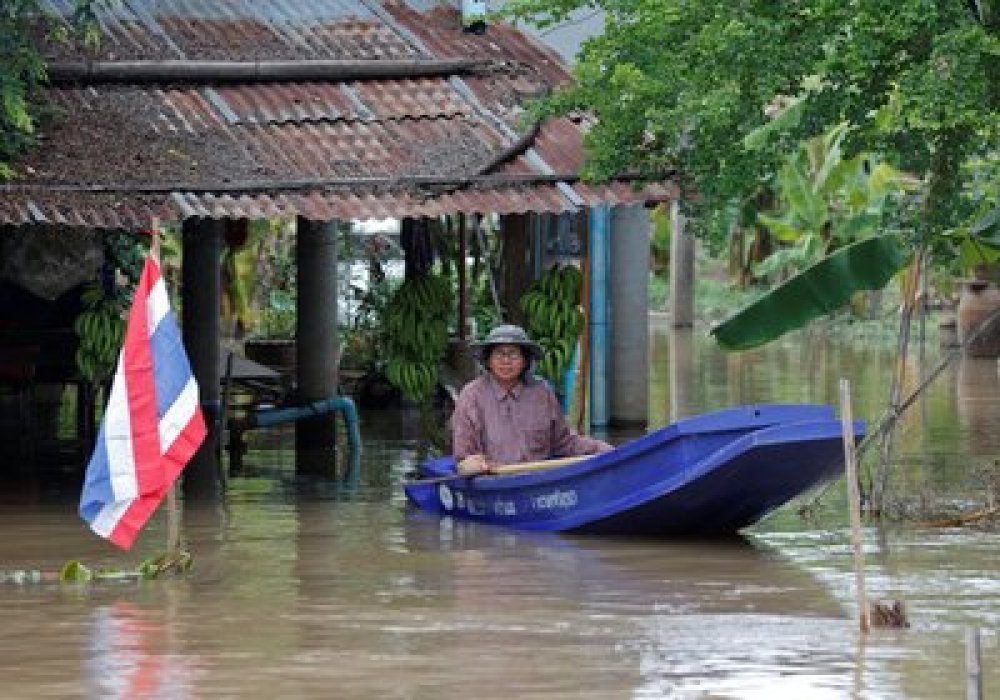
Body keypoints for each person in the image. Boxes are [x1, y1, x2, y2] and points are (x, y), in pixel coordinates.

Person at [451, 324, 612, 476]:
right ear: (488, 360)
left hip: (539, 481)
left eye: (513, 354)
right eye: (499, 353)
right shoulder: (471, 395)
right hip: (493, 484)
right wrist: (473, 465)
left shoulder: (542, 392)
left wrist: (600, 448)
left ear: (525, 361)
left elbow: (564, 442)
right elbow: (464, 456)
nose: (506, 361)